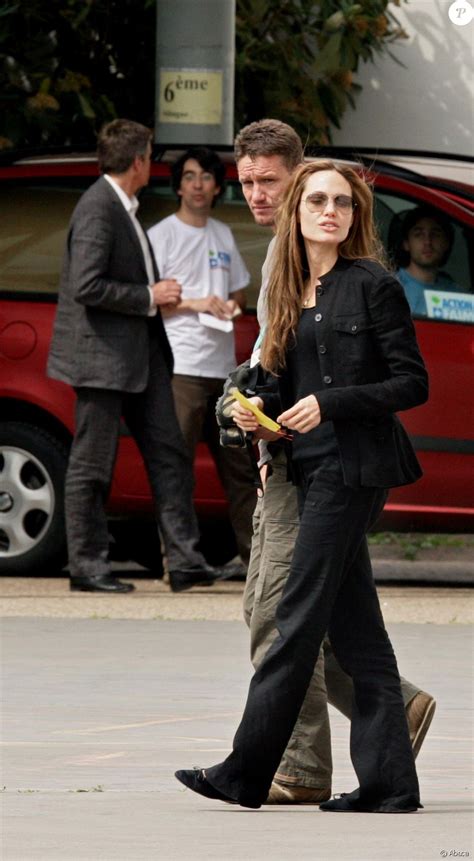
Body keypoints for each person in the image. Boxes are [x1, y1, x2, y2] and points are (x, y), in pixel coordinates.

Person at [175, 159, 429, 813]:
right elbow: (272, 383)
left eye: (342, 203)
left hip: (353, 471)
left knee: (294, 619)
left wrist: (332, 401)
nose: (329, 212)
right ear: (297, 213)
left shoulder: (372, 285)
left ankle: (244, 770)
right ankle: (391, 785)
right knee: (359, 635)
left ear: (354, 216)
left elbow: (411, 383)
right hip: (306, 468)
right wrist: (245, 408)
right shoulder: (290, 289)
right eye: (317, 200)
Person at [47, 119, 223, 594]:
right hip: (102, 359)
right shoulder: (98, 208)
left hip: (141, 358)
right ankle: (86, 566)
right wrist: (150, 295)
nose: (155, 163)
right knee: (92, 465)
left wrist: (150, 299)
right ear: (139, 161)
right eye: (152, 155)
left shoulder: (121, 205)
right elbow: (86, 285)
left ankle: (185, 561)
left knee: (170, 456)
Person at [147, 148, 255, 572]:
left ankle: (257, 562)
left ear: (216, 186)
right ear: (178, 185)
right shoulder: (161, 235)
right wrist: (196, 303)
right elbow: (149, 301)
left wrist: (230, 304)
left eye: (205, 177)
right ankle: (181, 560)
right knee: (177, 469)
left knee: (242, 470)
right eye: (189, 176)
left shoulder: (223, 234)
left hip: (224, 371)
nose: (197, 184)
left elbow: (241, 291)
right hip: (181, 367)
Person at [396, 206, 459, 316]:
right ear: (406, 243)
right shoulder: (389, 288)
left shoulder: (457, 294)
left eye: (435, 234)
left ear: (446, 243)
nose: (427, 242)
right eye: (418, 234)